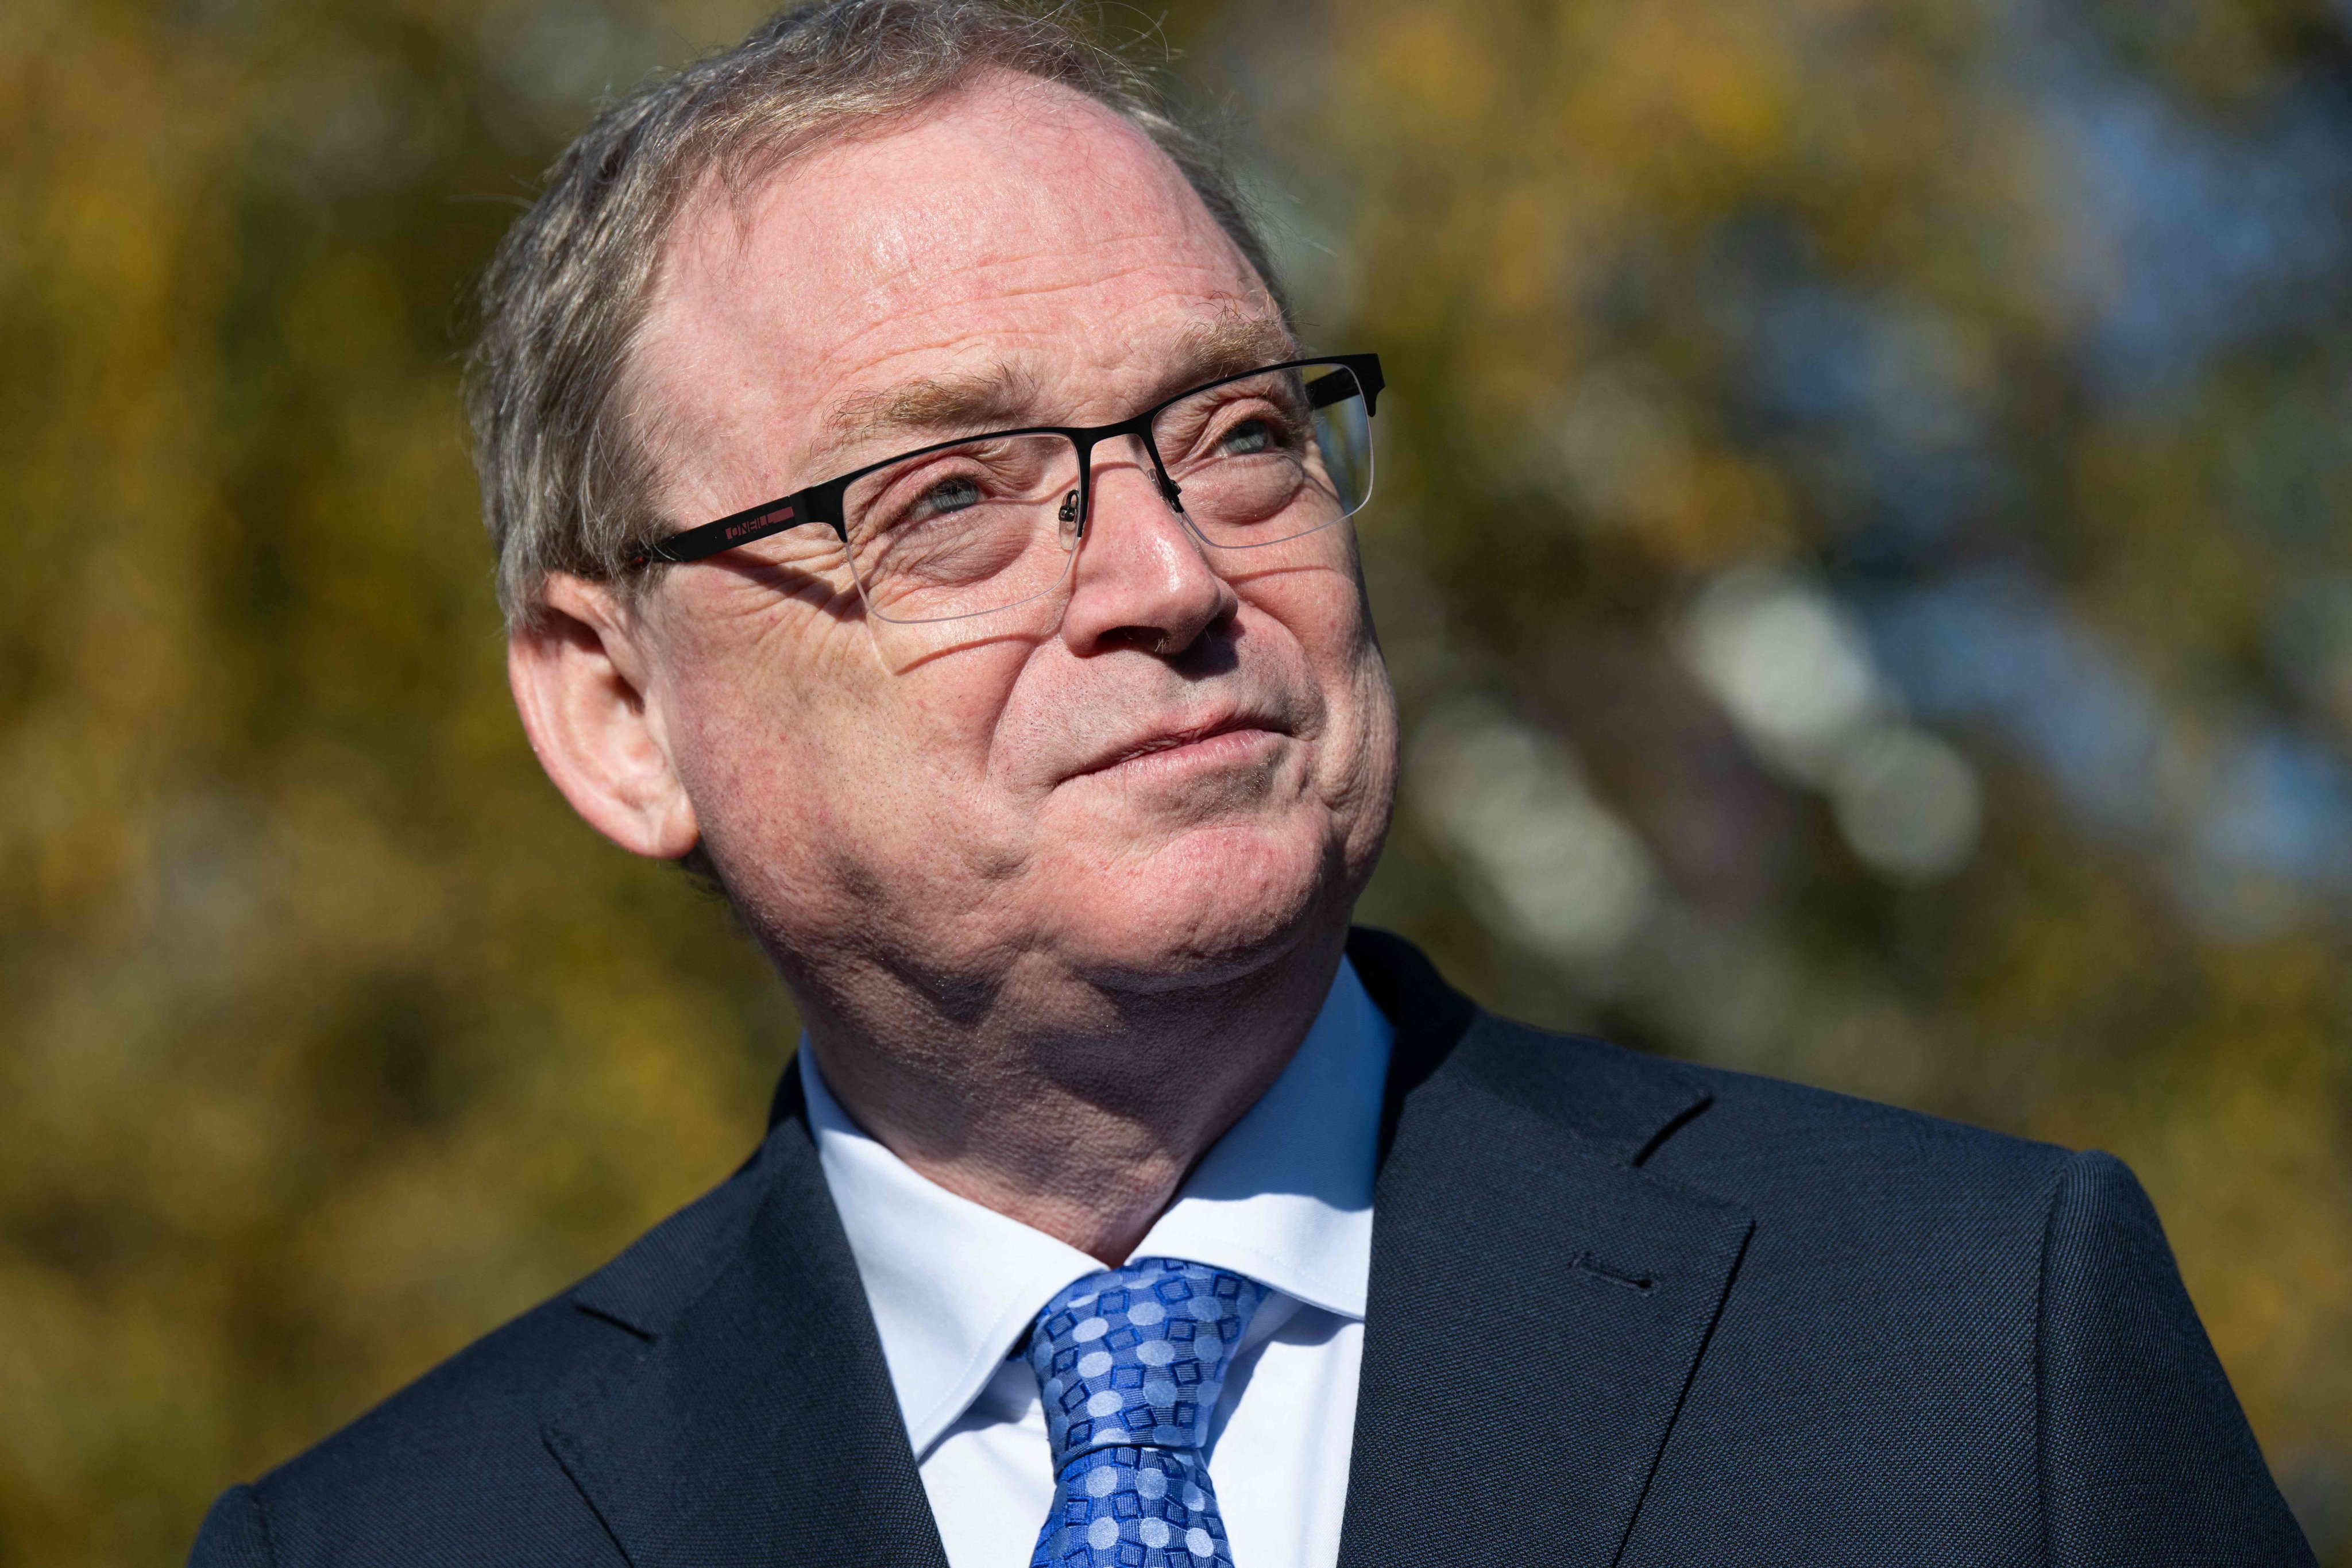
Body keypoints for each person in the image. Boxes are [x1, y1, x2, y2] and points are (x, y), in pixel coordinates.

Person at [187, 3, 2314, 1565]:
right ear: (614, 711)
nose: (1170, 576)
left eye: (1238, 433)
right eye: (945, 497)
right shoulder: (394, 1540)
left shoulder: (1969, 1342)